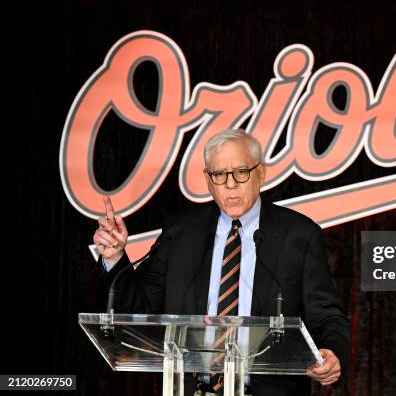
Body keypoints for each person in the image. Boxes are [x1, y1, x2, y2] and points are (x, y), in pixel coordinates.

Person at [93, 129, 350, 395]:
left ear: (261, 172)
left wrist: (331, 352)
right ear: (207, 179)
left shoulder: (299, 235)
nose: (230, 184)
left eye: (241, 172)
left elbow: (327, 315)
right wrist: (114, 258)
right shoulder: (180, 232)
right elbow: (138, 306)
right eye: (219, 174)